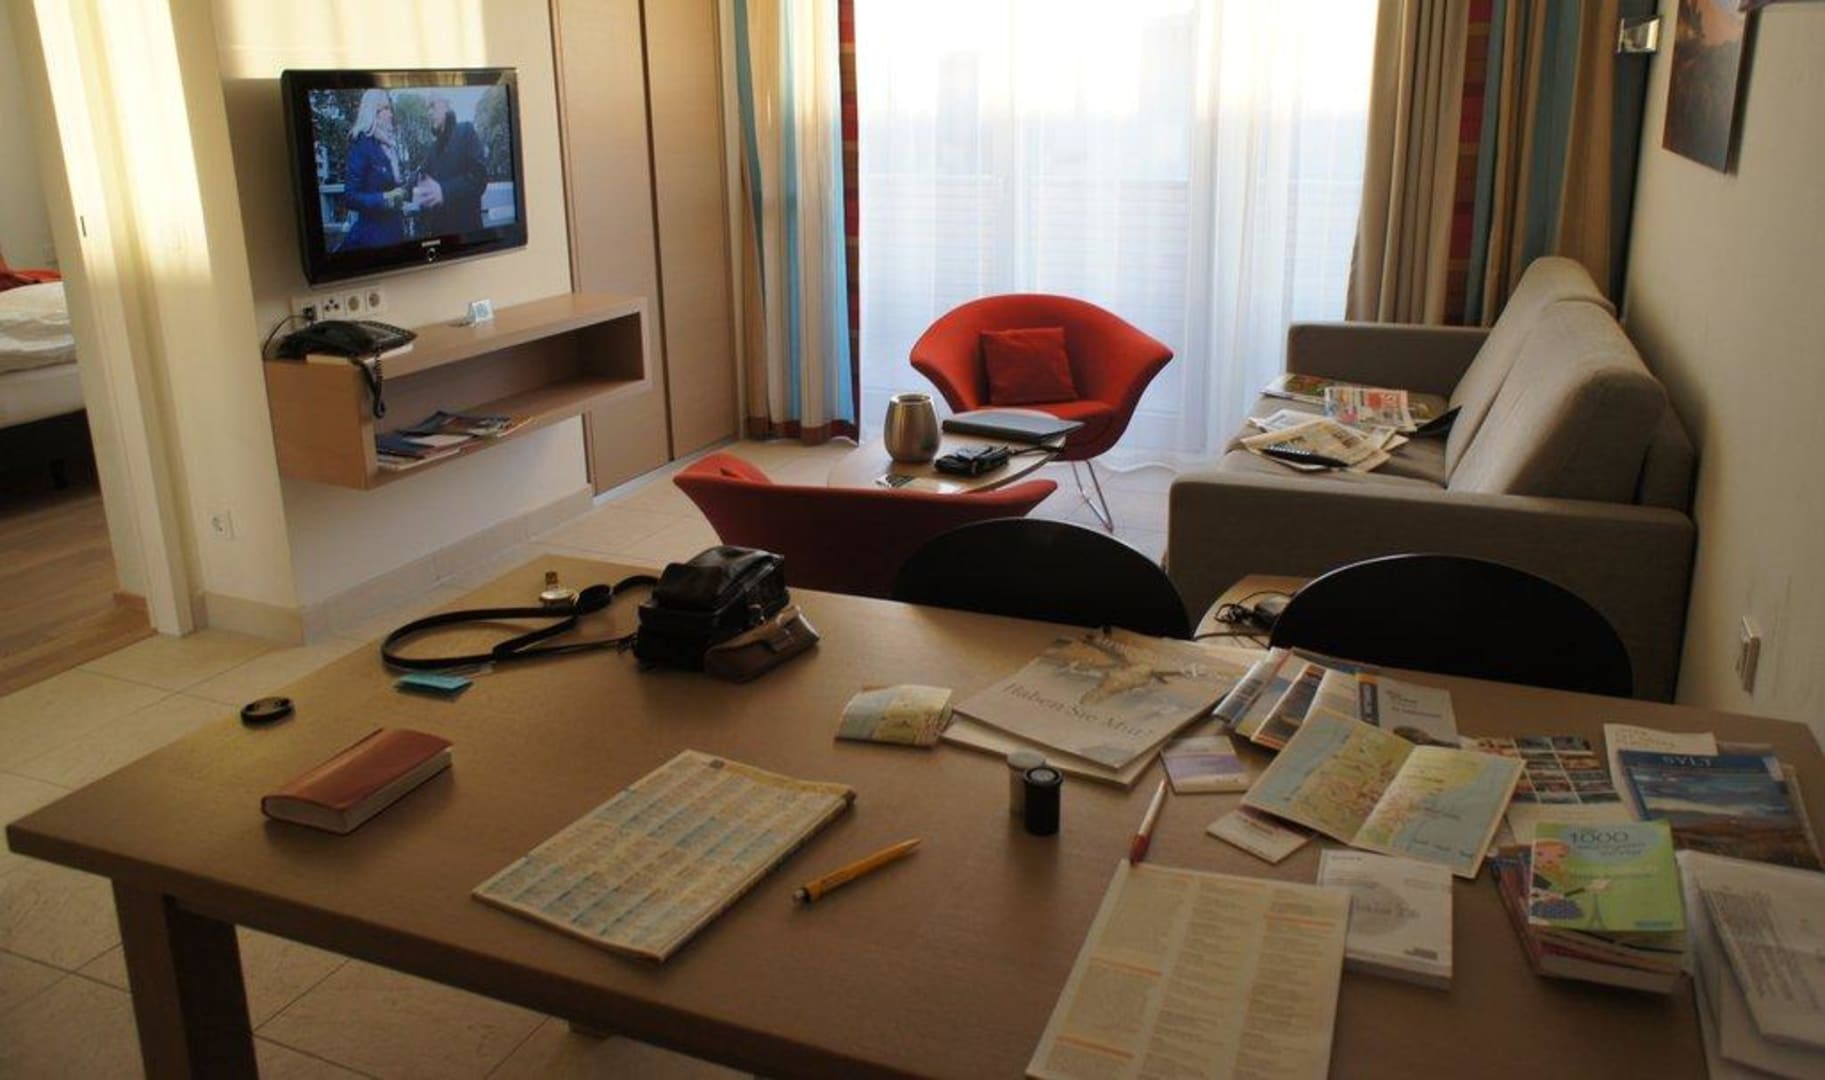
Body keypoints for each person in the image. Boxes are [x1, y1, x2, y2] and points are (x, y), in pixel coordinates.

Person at [340, 89, 408, 250]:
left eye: (390, 108)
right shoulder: (362, 144)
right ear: (372, 112)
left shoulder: (389, 146)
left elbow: (393, 187)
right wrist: (384, 198)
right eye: (386, 108)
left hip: (394, 234)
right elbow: (350, 197)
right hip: (373, 240)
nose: (391, 114)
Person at [412, 95, 489, 236]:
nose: (428, 113)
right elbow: (418, 177)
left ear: (446, 106)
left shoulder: (466, 131)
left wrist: (444, 191)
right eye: (427, 109)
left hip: (467, 239)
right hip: (440, 239)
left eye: (432, 106)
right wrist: (399, 192)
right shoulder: (432, 149)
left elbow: (479, 178)